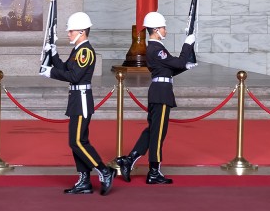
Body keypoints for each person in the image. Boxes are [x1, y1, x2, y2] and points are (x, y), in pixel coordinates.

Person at [114, 11, 196, 185]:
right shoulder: (156, 48)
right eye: (164, 27)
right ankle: (154, 172)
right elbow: (177, 62)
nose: (165, 30)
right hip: (161, 93)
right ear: (156, 29)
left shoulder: (156, 48)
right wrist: (187, 45)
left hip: (160, 90)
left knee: (152, 130)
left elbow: (169, 68)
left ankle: (129, 160)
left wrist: (186, 66)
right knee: (159, 133)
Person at [40, 11, 116, 196]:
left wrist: (50, 73)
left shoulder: (86, 51)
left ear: (82, 32)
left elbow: (74, 76)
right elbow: (65, 68)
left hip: (81, 99)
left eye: (71, 31)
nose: (68, 34)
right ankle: (84, 180)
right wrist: (53, 53)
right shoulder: (77, 50)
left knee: (76, 141)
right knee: (79, 141)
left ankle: (104, 171)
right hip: (76, 99)